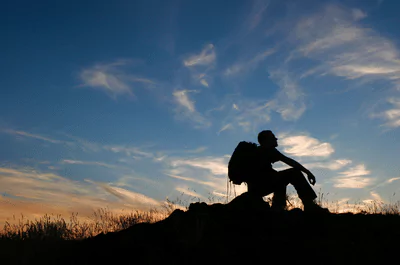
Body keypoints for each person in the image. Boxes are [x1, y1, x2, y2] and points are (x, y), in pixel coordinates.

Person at [246, 130, 329, 213]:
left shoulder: (259, 151)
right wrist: (308, 172)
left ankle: (278, 207)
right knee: (293, 173)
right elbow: (290, 161)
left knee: (280, 178)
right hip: (260, 187)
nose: (276, 139)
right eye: (273, 137)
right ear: (266, 141)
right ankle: (309, 205)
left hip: (257, 187)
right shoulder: (267, 150)